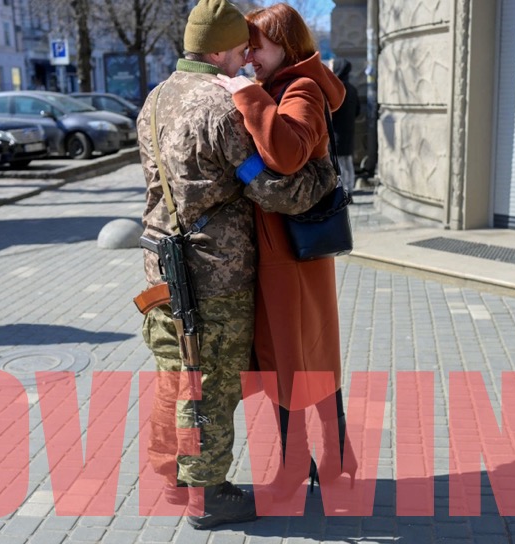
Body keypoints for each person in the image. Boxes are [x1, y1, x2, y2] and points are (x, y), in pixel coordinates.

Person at [136, 0, 337, 530]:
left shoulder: (156, 98)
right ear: (222, 49)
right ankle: (209, 494)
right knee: (212, 382)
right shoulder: (218, 106)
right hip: (214, 271)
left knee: (175, 372)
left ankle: (174, 477)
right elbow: (274, 190)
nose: (244, 59)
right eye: (240, 49)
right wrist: (323, 179)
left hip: (159, 267)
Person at [214, 3, 356, 501]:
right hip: (283, 251)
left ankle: (306, 464)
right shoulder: (286, 86)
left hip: (290, 254)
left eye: (257, 44)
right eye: (246, 45)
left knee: (293, 361)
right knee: (298, 358)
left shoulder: (301, 89)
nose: (249, 54)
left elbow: (288, 152)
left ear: (287, 46)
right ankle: (332, 460)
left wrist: (248, 95)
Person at [331, 57, 360, 196]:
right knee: (348, 162)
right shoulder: (353, 89)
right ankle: (350, 189)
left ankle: (344, 192)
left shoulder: (335, 88)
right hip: (349, 131)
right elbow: (358, 111)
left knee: (339, 164)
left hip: (336, 133)